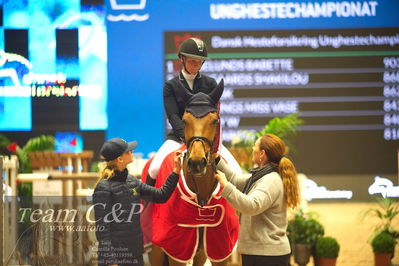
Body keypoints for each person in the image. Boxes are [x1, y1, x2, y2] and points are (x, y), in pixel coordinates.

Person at [146, 37, 241, 185]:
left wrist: (204, 140)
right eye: (192, 62)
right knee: (154, 168)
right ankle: (147, 204)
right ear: (182, 59)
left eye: (199, 63)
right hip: (179, 138)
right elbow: (173, 115)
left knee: (237, 172)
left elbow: (213, 116)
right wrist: (188, 137)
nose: (196, 66)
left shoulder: (210, 84)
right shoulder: (171, 86)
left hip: (206, 139)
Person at [214, 133, 300, 266]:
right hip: (261, 253)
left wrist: (225, 186)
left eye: (255, 146)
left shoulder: (270, 180)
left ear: (262, 153)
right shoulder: (261, 176)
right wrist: (216, 160)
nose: (252, 148)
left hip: (267, 256)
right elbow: (236, 180)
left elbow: (252, 206)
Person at [92, 137, 182, 266]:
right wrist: (110, 261)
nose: (132, 151)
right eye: (128, 151)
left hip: (135, 254)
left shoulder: (132, 181)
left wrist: (176, 171)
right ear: (120, 159)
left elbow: (161, 196)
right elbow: (102, 230)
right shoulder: (103, 188)